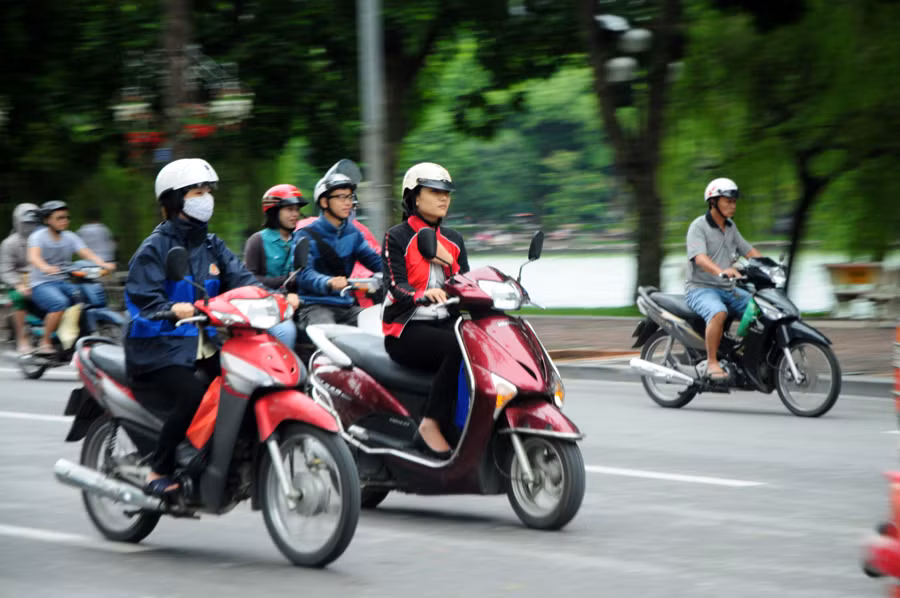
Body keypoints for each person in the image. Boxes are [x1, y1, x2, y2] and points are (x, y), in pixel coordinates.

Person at [125, 158, 299, 496]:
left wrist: (279, 298)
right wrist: (170, 308)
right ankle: (158, 469)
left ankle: (225, 457)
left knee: (248, 381)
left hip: (200, 346)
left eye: (207, 191)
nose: (205, 197)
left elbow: (244, 280)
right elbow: (142, 302)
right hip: (160, 350)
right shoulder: (153, 249)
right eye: (196, 191)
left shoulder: (212, 245)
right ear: (175, 200)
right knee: (192, 394)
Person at [382, 162, 469, 459]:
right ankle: (430, 424)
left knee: (481, 345)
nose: (443, 198)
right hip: (406, 328)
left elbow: (468, 285)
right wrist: (421, 295)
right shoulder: (397, 237)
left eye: (446, 192)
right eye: (434, 192)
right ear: (414, 197)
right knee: (457, 348)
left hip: (446, 322)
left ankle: (466, 425)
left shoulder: (454, 240)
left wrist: (451, 263)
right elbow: (395, 287)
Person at [685, 177, 762, 381]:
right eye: (728, 200)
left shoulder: (730, 227)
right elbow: (700, 258)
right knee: (718, 312)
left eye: (734, 201)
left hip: (727, 288)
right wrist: (721, 271)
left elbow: (748, 250)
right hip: (700, 288)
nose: (732, 205)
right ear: (713, 202)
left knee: (759, 307)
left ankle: (740, 351)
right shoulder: (698, 226)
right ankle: (712, 362)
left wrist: (769, 267)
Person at [27, 201, 116, 355]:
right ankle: (45, 341)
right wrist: (45, 267)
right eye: (59, 218)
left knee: (83, 298)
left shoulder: (70, 237)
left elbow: (86, 253)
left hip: (63, 282)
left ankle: (75, 337)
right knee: (59, 303)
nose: (65, 221)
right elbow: (34, 257)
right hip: (42, 283)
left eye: (66, 217)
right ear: (47, 220)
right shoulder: (38, 237)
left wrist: (104, 264)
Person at [294, 170, 382, 327]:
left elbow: (375, 261)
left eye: (350, 197)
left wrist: (401, 271)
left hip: (346, 305)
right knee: (329, 334)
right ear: (324, 202)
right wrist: (328, 282)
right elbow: (304, 275)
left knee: (381, 326)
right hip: (315, 306)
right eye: (341, 197)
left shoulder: (353, 233)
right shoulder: (305, 235)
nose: (348, 203)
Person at [243, 184, 308, 348]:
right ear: (273, 212)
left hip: (302, 302)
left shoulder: (302, 238)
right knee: (286, 332)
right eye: (289, 209)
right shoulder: (257, 241)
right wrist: (285, 282)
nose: (295, 214)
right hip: (268, 305)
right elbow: (249, 280)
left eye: (297, 209)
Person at [0, 204, 41, 353]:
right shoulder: (9, 244)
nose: (30, 226)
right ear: (17, 222)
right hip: (19, 282)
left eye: (33, 222)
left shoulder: (44, 239)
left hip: (42, 280)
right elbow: (5, 270)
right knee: (18, 298)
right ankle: (22, 340)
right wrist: (18, 284)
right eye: (26, 223)